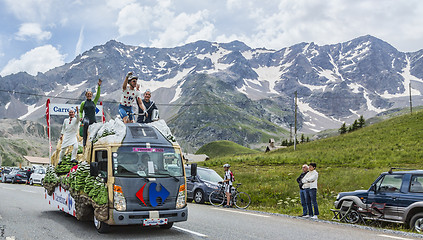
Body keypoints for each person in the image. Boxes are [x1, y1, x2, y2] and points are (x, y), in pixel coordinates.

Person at [79, 79, 102, 146]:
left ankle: (95, 141)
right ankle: (84, 141)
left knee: (96, 128)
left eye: (90, 94)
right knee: (86, 123)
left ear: (92, 95)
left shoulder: (94, 102)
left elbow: (98, 95)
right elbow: (80, 111)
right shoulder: (83, 103)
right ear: (86, 95)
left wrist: (99, 86)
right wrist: (81, 117)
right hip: (86, 118)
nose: (89, 95)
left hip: (93, 118)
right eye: (88, 94)